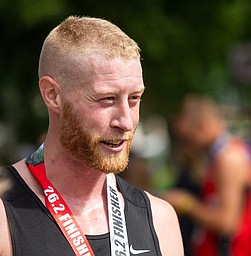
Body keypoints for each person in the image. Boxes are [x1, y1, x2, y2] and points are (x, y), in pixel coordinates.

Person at [0, 16, 183, 256]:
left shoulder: (160, 219)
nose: (126, 122)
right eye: (107, 99)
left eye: (134, 99)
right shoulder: (4, 213)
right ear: (53, 95)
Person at [163, 94, 251, 256]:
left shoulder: (228, 158)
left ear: (202, 126)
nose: (188, 145)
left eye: (188, 138)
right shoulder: (217, 156)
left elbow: (227, 223)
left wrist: (185, 203)